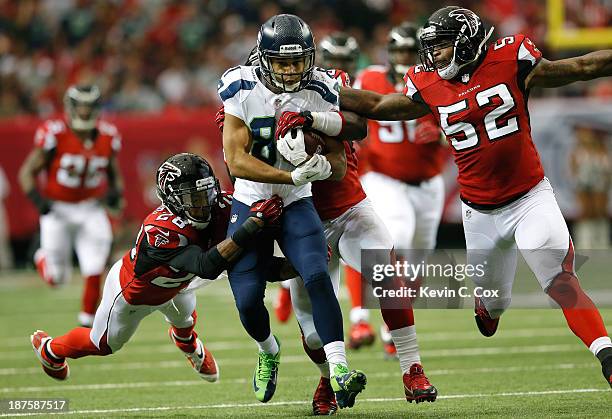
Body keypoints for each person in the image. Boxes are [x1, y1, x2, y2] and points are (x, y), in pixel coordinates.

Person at [336, 6, 612, 387]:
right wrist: (328, 92)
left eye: (444, 46)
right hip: (479, 212)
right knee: (493, 308)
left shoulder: (511, 59)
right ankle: (488, 306)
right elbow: (382, 106)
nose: (434, 56)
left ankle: (607, 356)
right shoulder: (428, 83)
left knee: (559, 279)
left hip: (530, 196)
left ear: (466, 43)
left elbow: (581, 67)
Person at [219, 14, 367, 408]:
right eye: (282, 62)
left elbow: (337, 162)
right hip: (252, 200)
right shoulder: (241, 87)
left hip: (298, 201)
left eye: (297, 61)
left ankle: (338, 367)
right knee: (248, 300)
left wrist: (321, 170)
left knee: (317, 274)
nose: (290, 70)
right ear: (264, 60)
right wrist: (293, 177)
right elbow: (235, 160)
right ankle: (269, 350)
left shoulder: (319, 88)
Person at [30, 153, 284, 382]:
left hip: (180, 284)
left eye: (206, 193)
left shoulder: (220, 205)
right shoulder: (160, 230)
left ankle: (187, 344)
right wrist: (251, 226)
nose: (204, 203)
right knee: (104, 344)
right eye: (193, 197)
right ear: (172, 200)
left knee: (184, 321)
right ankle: (50, 349)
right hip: (135, 294)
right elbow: (206, 266)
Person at [351, 22, 446, 359]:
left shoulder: (438, 79)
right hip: (385, 176)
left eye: (410, 50)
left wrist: (441, 134)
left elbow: (464, 120)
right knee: (400, 238)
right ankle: (366, 316)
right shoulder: (370, 78)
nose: (404, 57)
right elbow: (350, 110)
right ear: (390, 54)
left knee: (420, 256)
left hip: (428, 181)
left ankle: (394, 323)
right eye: (399, 51)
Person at [19, 85, 124, 327]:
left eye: (90, 106)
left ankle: (87, 324)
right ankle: (41, 256)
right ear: (71, 107)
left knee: (95, 264)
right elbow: (26, 172)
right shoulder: (55, 133)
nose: (85, 112)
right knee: (58, 279)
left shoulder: (108, 134)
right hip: (58, 209)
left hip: (90, 207)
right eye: (81, 106)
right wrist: (38, 199)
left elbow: (113, 171)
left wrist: (116, 194)